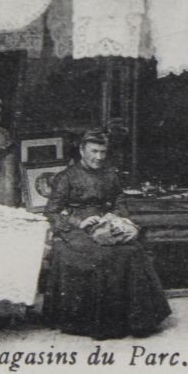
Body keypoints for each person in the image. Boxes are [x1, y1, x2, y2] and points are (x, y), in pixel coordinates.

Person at [40, 130, 171, 339]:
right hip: (76, 229)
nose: (99, 157)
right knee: (102, 255)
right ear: (82, 151)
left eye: (103, 152)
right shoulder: (66, 177)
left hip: (105, 221)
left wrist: (115, 216)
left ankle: (139, 321)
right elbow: (52, 211)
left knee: (134, 250)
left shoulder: (109, 174)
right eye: (94, 151)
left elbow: (119, 199)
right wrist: (79, 222)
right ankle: (105, 324)